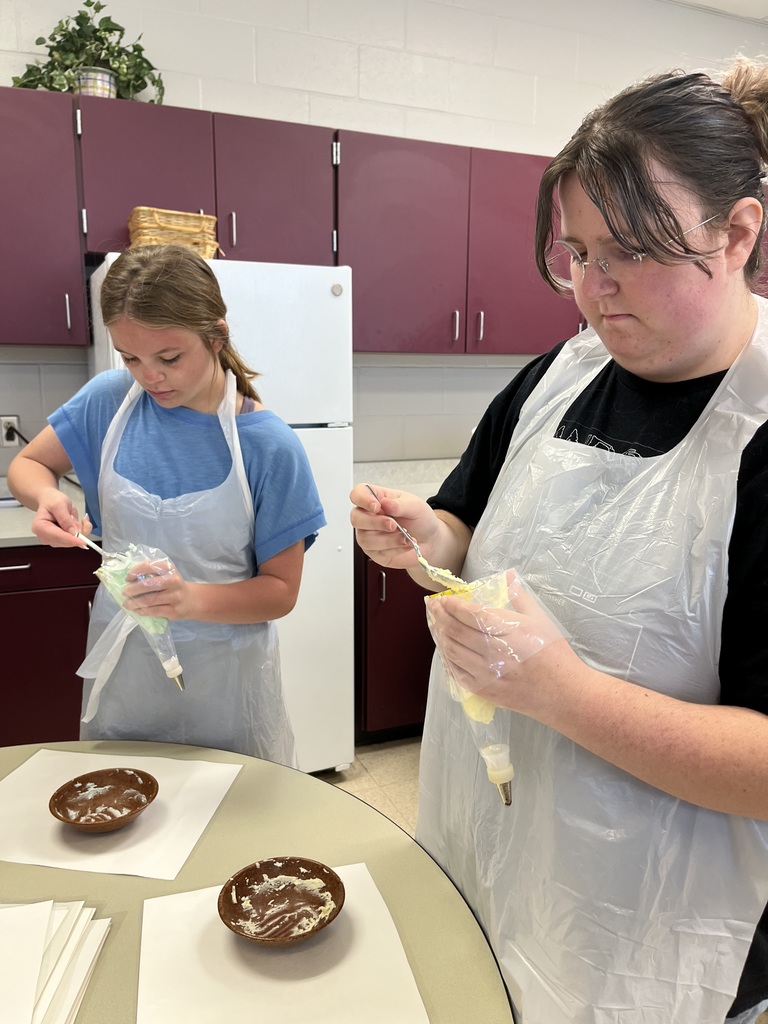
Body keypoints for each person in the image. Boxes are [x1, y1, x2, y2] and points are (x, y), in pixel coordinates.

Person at [350, 59, 768, 1024]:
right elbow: (465, 525)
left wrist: (561, 690)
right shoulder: (564, 371)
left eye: (629, 252)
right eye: (576, 253)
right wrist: (429, 536)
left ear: (737, 232)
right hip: (495, 846)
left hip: (655, 920)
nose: (593, 290)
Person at [9, 243, 326, 765]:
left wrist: (188, 600)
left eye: (169, 358)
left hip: (226, 687)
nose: (148, 376)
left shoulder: (267, 446)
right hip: (126, 672)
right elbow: (28, 466)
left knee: (229, 828)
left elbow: (280, 592)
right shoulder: (108, 402)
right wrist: (45, 497)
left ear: (217, 336)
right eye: (130, 357)